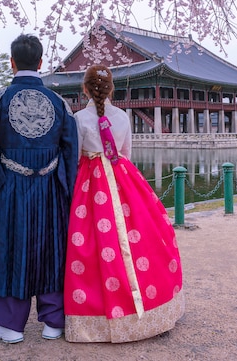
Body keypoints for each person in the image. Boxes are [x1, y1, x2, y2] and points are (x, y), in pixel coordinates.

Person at [0, 34, 78, 344]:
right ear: (41, 63)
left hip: (9, 192)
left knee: (8, 250)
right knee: (51, 250)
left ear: (12, 61)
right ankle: (54, 321)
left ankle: (10, 325)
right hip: (51, 191)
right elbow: (72, 158)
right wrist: (67, 200)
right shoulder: (61, 104)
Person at [64, 64, 185, 343]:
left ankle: (97, 316)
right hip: (124, 178)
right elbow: (126, 153)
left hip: (90, 182)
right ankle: (149, 307)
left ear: (84, 89)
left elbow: (73, 158)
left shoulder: (78, 119)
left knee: (93, 241)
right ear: (111, 90)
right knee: (142, 234)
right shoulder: (123, 117)